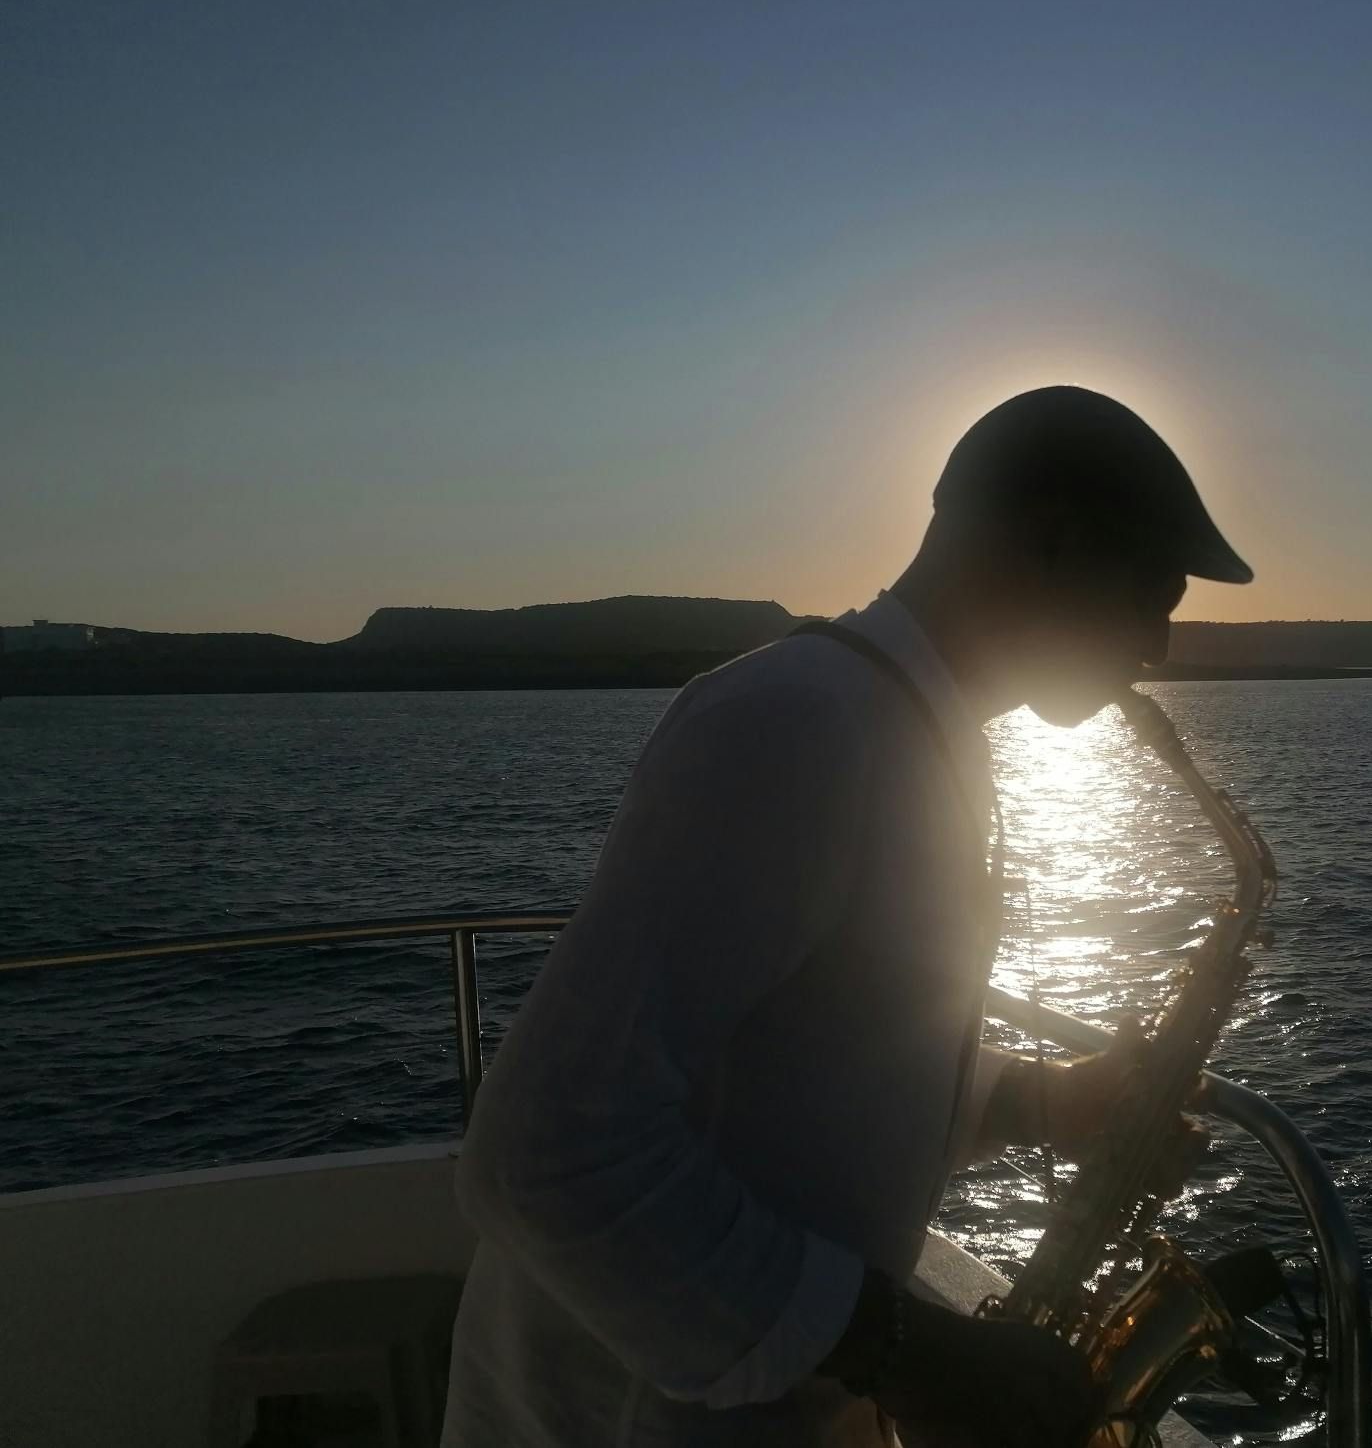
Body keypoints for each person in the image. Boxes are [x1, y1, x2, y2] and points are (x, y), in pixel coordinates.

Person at [442, 385, 1255, 1447]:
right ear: (1050, 541)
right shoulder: (797, 725)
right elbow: (542, 1153)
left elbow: (819, 1069)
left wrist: (1045, 1104)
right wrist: (906, 1356)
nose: (1158, 644)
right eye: (1153, 591)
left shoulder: (922, 736)